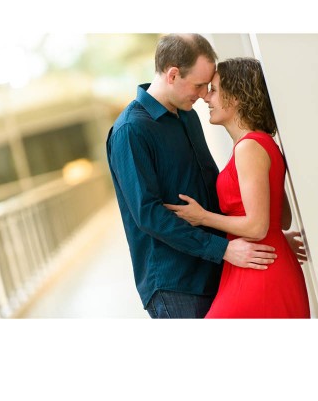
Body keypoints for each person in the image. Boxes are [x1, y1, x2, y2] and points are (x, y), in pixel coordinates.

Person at [106, 34, 278, 319]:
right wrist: (222, 248)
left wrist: (263, 234)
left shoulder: (186, 116)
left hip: (218, 269)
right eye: (198, 85)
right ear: (172, 74)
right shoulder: (131, 130)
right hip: (177, 284)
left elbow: (211, 190)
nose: (203, 95)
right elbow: (148, 214)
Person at [164, 57, 310, 318]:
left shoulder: (249, 147)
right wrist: (274, 238)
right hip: (259, 262)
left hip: (260, 273)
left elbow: (257, 226)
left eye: (215, 90)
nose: (207, 98)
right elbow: (281, 219)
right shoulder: (260, 144)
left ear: (237, 96)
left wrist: (203, 217)